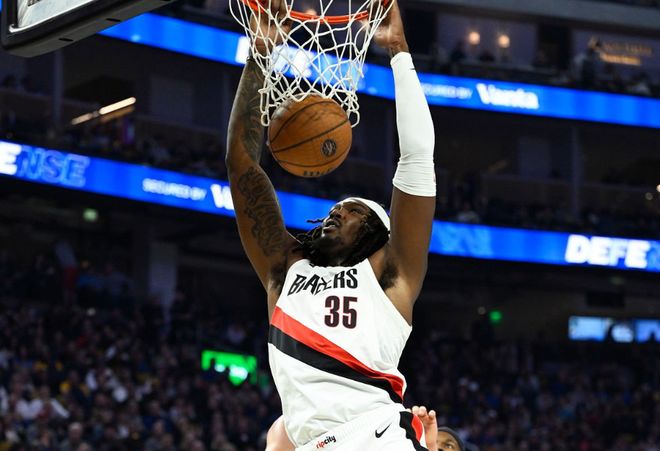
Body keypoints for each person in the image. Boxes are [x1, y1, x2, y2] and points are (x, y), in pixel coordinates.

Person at [226, 0, 436, 448]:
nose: (336, 213)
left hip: (377, 436)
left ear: (378, 236)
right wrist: (261, 53)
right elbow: (242, 166)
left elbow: (417, 158)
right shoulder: (285, 270)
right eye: (334, 209)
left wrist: (399, 53)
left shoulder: (390, 275)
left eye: (354, 211)